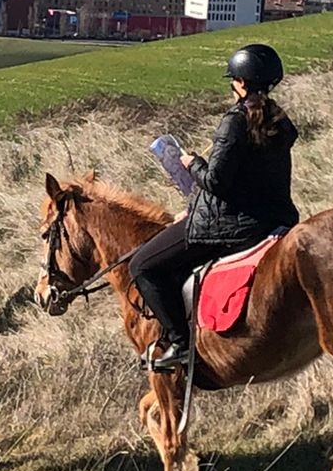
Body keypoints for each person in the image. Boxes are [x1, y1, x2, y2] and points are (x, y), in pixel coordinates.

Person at [127, 43, 299, 371]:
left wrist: (192, 164)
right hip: (274, 219)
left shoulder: (235, 121)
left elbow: (217, 182)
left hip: (234, 226)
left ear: (242, 83)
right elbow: (249, 180)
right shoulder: (280, 120)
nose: (232, 85)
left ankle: (179, 344)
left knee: (142, 266)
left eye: (233, 80)